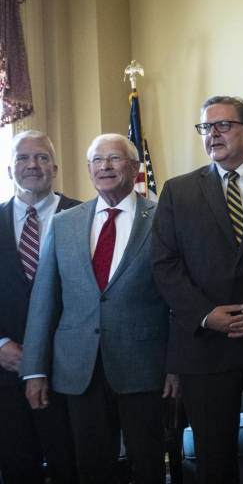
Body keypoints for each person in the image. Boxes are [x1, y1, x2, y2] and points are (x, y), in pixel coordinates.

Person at [20, 133, 178, 484]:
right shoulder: (65, 223)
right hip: (78, 370)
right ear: (88, 169)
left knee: (149, 465)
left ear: (135, 168)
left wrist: (175, 365)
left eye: (115, 159)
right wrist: (34, 370)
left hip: (144, 368)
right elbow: (44, 301)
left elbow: (176, 300)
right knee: (91, 468)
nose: (105, 166)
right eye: (97, 160)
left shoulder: (162, 218)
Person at [153, 96, 243, 483]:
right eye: (205, 128)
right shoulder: (177, 191)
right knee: (214, 460)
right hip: (205, 349)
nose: (212, 134)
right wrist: (206, 315)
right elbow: (165, 266)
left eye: (222, 125)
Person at [0, 131, 79, 484]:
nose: (33, 165)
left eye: (42, 157)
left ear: (55, 167)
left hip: (69, 372)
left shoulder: (84, 216)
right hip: (6, 372)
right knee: (17, 469)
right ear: (8, 169)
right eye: (23, 158)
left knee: (73, 468)